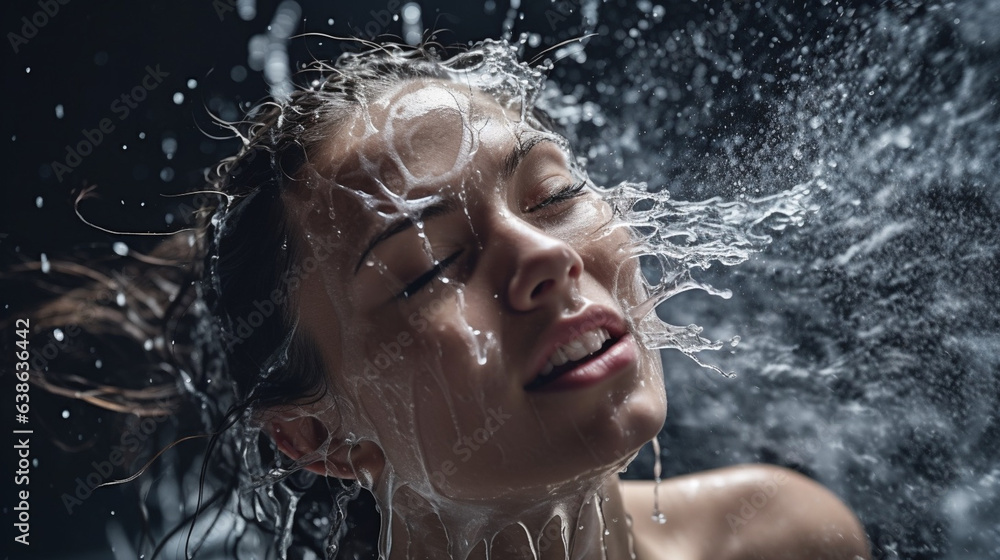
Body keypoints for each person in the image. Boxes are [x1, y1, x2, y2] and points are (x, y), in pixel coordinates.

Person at [21, 40, 871, 559]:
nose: (544, 256)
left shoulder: (787, 537)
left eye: (551, 194)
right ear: (316, 438)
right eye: (429, 271)